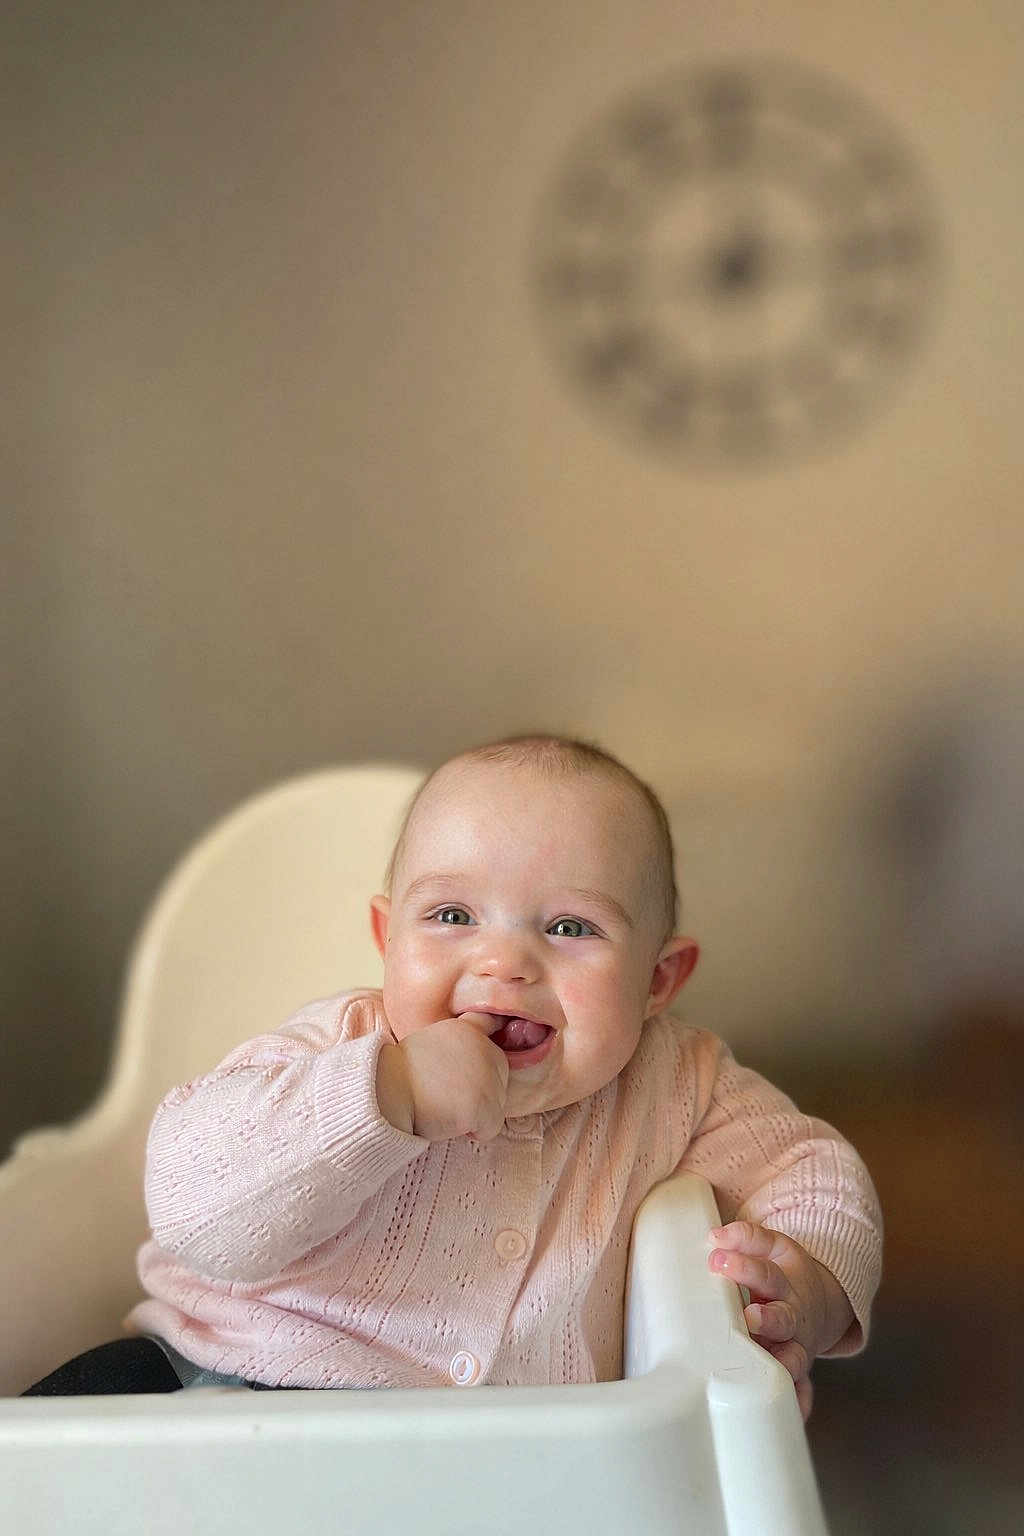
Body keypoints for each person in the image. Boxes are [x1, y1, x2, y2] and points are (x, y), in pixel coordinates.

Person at [25, 735, 881, 1415]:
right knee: (58, 1437)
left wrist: (807, 1286)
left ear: (657, 980)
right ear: (386, 938)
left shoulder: (679, 1083)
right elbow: (194, 1206)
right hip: (217, 1385)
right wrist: (386, 1095)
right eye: (451, 915)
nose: (504, 962)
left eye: (570, 928)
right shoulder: (340, 1046)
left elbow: (814, 1172)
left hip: (500, 1465)